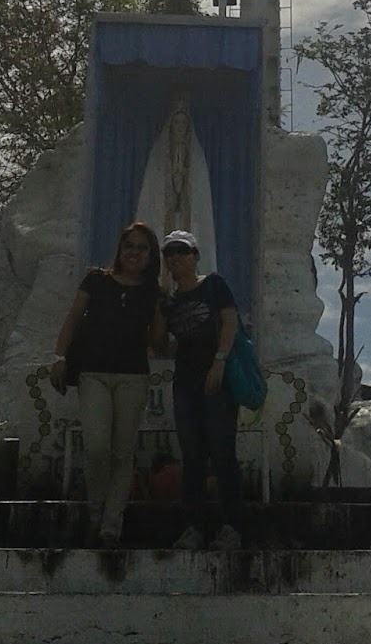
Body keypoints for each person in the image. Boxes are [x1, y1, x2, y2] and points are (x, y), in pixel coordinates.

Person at [50, 221, 164, 547]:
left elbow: (157, 342)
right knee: (98, 446)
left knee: (123, 451)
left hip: (132, 375)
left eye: (142, 248)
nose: (134, 253)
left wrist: (162, 313)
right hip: (94, 372)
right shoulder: (96, 280)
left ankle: (111, 525)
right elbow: (73, 317)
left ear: (150, 256)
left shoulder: (152, 291)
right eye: (130, 245)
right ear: (120, 248)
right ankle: (95, 509)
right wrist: (58, 357)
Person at [160, 229, 243, 553]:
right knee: (192, 457)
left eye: (182, 251)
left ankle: (232, 526)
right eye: (170, 253)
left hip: (217, 380)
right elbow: (163, 344)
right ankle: (194, 526)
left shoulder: (214, 285)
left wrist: (219, 361)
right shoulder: (169, 301)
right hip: (186, 381)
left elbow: (229, 321)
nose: (175, 257)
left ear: (195, 255)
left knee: (223, 453)